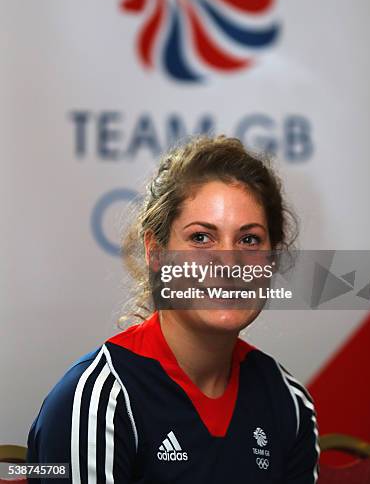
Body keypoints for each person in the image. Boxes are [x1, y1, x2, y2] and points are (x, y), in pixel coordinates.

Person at [27, 135, 320, 483]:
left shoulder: (289, 403)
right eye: (201, 238)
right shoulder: (97, 400)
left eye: (249, 239)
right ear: (156, 254)